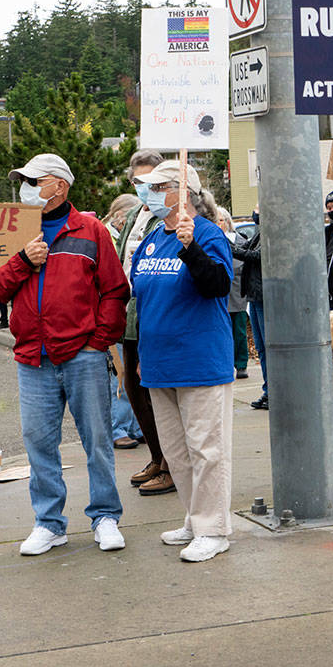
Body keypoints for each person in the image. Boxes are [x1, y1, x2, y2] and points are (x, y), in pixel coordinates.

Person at [0, 152, 130, 556]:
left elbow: (115, 290)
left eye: (36, 181)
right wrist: (22, 260)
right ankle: (49, 523)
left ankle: (105, 517)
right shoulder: (17, 230)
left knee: (98, 439)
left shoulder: (91, 229)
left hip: (81, 353)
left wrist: (98, 341)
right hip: (33, 357)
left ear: (60, 186)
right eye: (26, 181)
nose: (28, 188)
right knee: (38, 443)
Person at [130, 160, 234, 563]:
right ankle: (195, 518)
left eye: (159, 187)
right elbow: (143, 299)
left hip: (200, 360)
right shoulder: (154, 237)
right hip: (159, 362)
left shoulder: (207, 235)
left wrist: (191, 249)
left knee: (207, 449)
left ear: (183, 192)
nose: (150, 194)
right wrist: (140, 355)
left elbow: (217, 286)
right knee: (177, 451)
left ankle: (214, 529)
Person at [113, 150, 177, 494]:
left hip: (154, 317)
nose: (145, 187)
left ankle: (171, 465)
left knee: (159, 394)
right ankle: (156, 455)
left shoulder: (169, 217)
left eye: (152, 180)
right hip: (130, 318)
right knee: (136, 393)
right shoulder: (137, 213)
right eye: (138, 181)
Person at [103, 192, 144, 450]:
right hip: (116, 314)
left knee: (132, 375)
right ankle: (119, 428)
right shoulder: (106, 236)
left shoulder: (123, 235)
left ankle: (134, 425)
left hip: (131, 312)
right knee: (119, 375)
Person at [233, 204, 267, 409]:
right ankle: (268, 389)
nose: (255, 212)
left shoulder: (272, 231)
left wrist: (231, 248)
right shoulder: (259, 232)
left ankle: (272, 390)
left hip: (263, 295)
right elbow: (246, 250)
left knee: (267, 347)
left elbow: (258, 255)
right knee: (261, 347)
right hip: (254, 296)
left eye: (258, 209)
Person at [216, 209, 249, 380]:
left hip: (237, 291)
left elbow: (240, 264)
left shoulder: (239, 240)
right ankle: (226, 363)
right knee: (222, 331)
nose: (218, 223)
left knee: (239, 331)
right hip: (219, 294)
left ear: (227, 222)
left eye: (220, 220)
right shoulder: (212, 241)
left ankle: (241, 364)